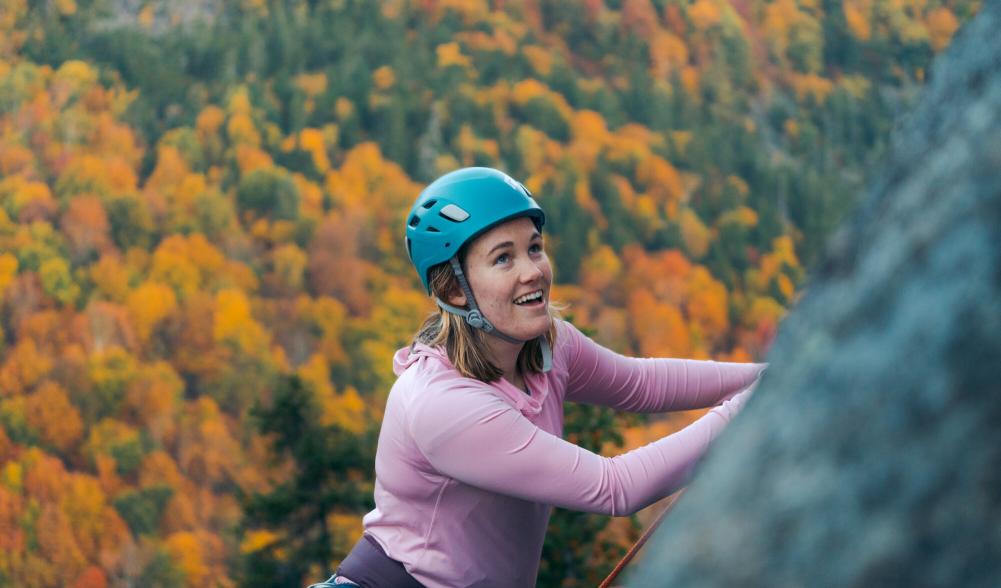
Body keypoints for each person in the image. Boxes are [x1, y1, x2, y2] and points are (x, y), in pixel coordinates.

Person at [309, 167, 765, 588]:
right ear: (452, 288)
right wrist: (751, 409)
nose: (533, 272)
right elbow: (614, 487)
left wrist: (770, 376)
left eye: (534, 248)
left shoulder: (547, 345)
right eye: (503, 259)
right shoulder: (443, 404)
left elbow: (641, 385)